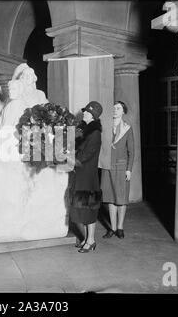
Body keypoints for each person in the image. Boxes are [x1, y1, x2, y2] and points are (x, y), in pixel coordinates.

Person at [69, 101, 103, 253]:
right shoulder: (83, 130)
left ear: (94, 116)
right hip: (80, 175)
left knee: (89, 208)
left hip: (88, 176)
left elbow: (86, 155)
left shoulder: (95, 134)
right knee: (82, 208)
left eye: (88, 112)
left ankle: (91, 240)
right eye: (85, 111)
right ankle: (86, 238)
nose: (84, 113)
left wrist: (72, 159)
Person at [101, 101, 134, 239]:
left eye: (118, 108)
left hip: (121, 168)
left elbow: (131, 151)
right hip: (107, 166)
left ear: (123, 111)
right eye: (113, 108)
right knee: (110, 198)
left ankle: (120, 227)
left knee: (121, 198)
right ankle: (112, 228)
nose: (115, 110)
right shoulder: (105, 126)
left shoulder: (127, 128)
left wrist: (129, 170)